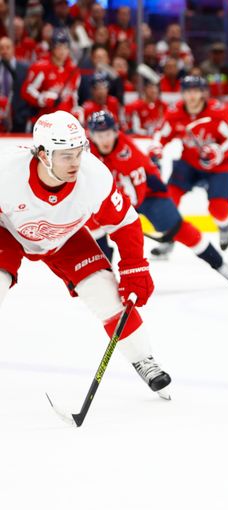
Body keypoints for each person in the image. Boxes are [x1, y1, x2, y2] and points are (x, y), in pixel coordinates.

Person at [0, 111, 171, 397]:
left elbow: (126, 221)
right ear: (42, 154)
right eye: (66, 155)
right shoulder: (7, 170)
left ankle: (143, 358)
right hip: (8, 230)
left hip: (66, 237)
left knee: (105, 295)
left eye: (79, 152)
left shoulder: (94, 176)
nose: (76, 163)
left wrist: (134, 267)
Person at [87, 111, 228, 285]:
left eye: (107, 134)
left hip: (147, 195)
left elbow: (137, 193)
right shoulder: (86, 153)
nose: (104, 140)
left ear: (116, 131)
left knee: (181, 230)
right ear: (91, 136)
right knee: (92, 228)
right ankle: (104, 277)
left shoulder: (127, 152)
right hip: (115, 199)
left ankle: (220, 264)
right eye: (99, 135)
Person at [148, 75, 228, 256]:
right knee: (169, 200)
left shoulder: (217, 112)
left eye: (195, 91)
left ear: (202, 93)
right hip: (189, 163)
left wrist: (218, 152)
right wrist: (156, 147)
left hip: (218, 167)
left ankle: (224, 225)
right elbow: (161, 133)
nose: (191, 96)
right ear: (182, 93)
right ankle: (169, 238)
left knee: (218, 209)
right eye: (187, 91)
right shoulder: (175, 112)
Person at [21, 31, 79, 124]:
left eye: (65, 47)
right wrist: (42, 98)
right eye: (59, 47)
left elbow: (74, 94)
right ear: (52, 47)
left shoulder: (73, 70)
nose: (62, 51)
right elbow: (27, 90)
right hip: (45, 121)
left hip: (66, 121)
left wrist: (76, 110)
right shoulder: (40, 67)